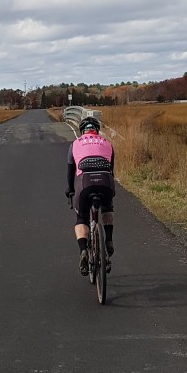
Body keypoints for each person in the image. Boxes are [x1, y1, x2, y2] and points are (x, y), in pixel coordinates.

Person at [65, 115, 115, 276]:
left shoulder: (75, 144)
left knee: (82, 218)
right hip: (105, 181)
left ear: (82, 131)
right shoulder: (107, 143)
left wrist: (70, 189)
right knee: (107, 208)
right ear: (97, 130)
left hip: (84, 182)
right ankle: (108, 239)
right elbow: (111, 170)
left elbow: (70, 170)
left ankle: (83, 251)